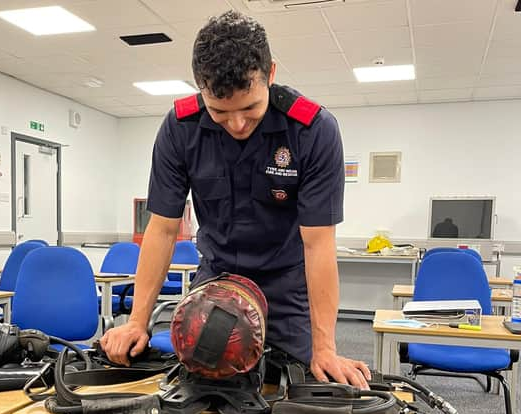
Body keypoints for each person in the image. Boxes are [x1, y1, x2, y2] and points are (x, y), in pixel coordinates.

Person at [101, 10, 371, 389]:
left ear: (271, 74)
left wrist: (325, 347)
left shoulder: (312, 131)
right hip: (215, 284)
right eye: (220, 112)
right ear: (200, 89)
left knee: (292, 391)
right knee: (203, 392)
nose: (237, 125)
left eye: (249, 108)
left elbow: (318, 243)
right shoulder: (181, 129)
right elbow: (161, 230)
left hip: (285, 292)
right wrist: (136, 322)